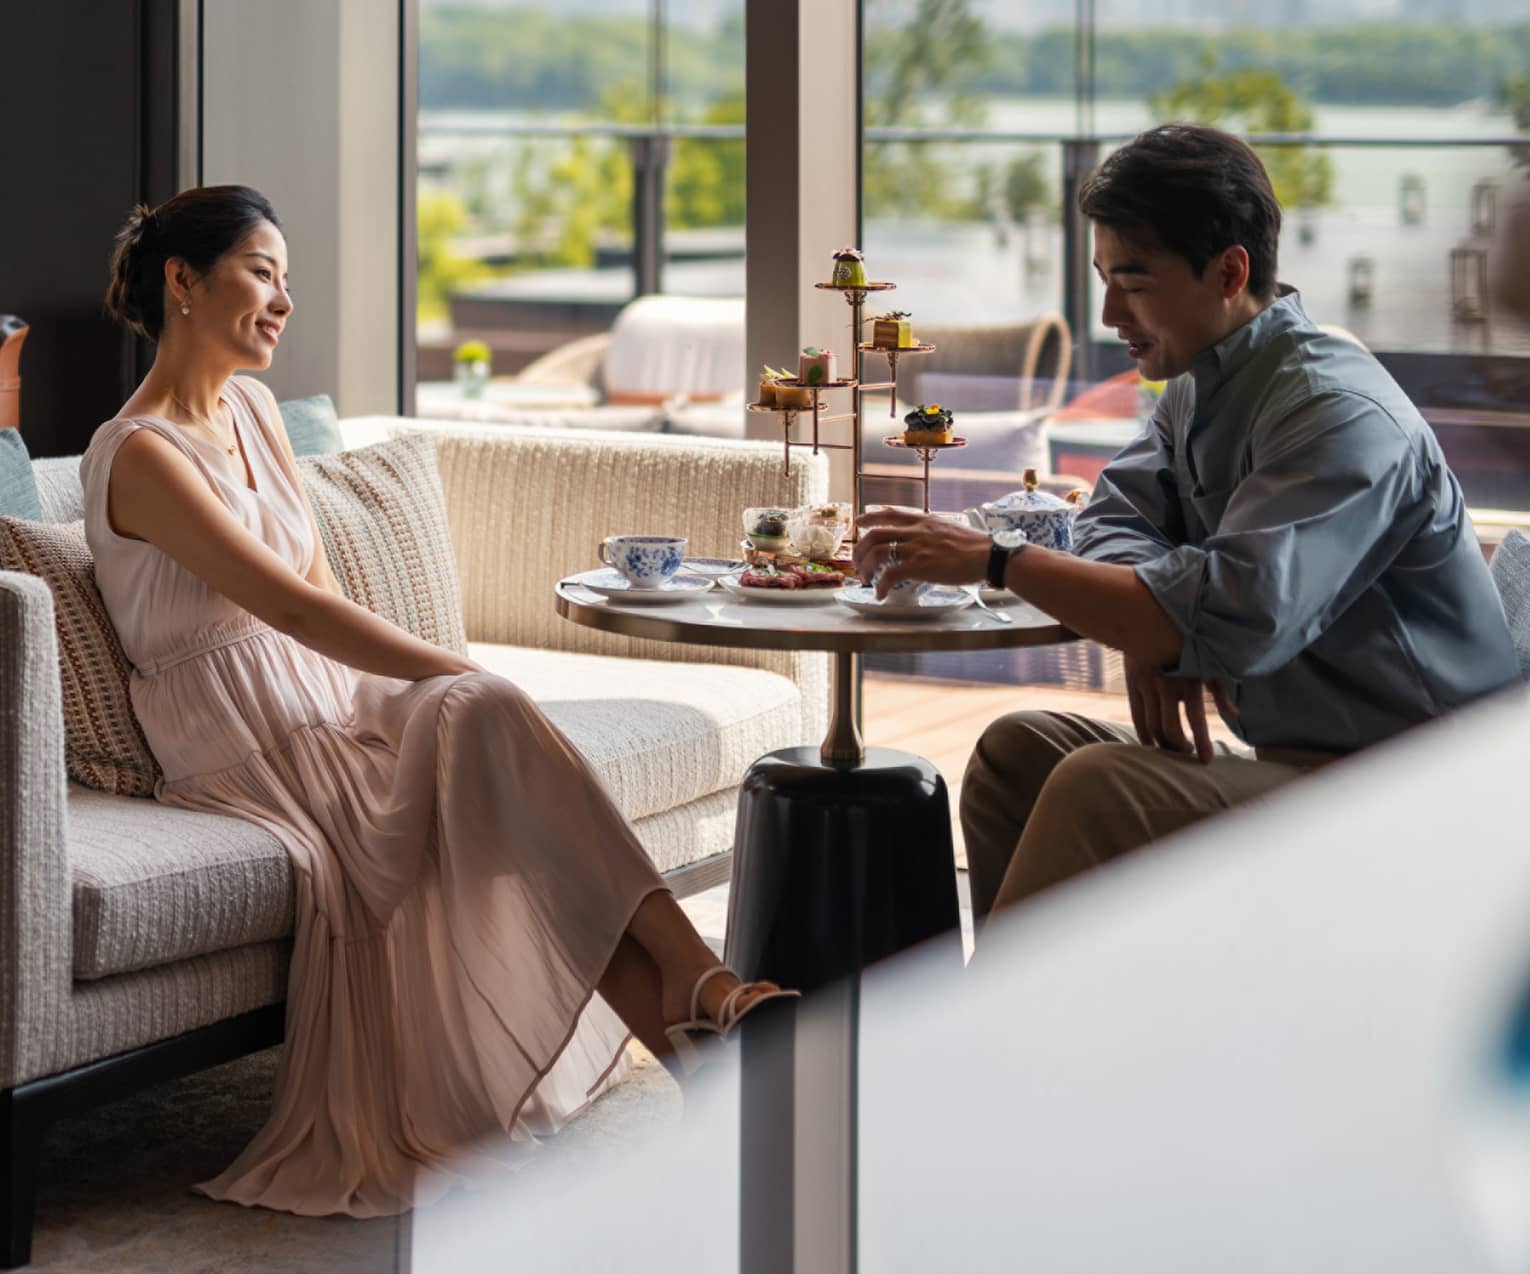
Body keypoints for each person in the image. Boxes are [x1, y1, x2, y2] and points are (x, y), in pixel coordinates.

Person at [82, 185, 792, 1217]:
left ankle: (702, 1021)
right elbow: (288, 607)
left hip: (327, 700)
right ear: (182, 283)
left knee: (489, 739)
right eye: (262, 273)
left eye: (288, 280)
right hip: (243, 741)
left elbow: (321, 591)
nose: (283, 301)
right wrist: (448, 671)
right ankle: (707, 991)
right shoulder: (141, 453)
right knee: (483, 710)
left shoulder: (250, 408)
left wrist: (419, 690)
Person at [853, 124, 1522, 929]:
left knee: (1100, 790)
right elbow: (1112, 519)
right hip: (1304, 761)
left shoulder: (1334, 412)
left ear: (1230, 270)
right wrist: (1153, 627)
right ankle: (1066, 1031)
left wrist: (998, 559)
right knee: (1014, 752)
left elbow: (1234, 617)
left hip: (1410, 790)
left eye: (1132, 282)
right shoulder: (1201, 383)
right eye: (1103, 280)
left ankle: (982, 1048)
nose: (1108, 313)